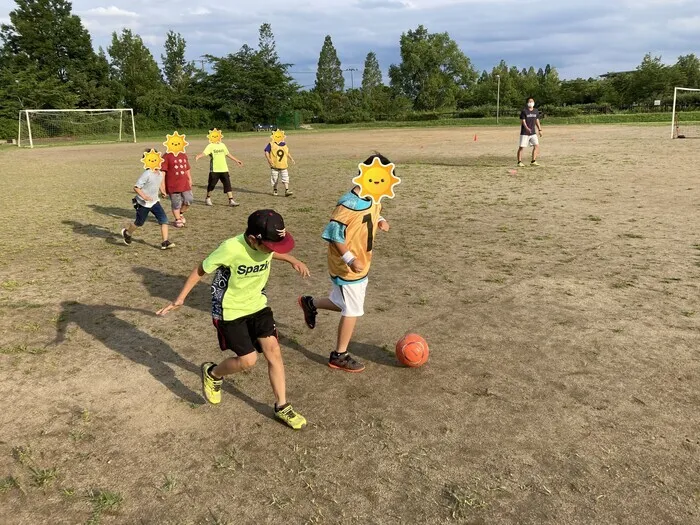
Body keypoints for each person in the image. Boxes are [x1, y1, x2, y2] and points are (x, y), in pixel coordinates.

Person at [156, 209, 310, 430]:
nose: (272, 250)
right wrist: (180, 299)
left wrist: (290, 258)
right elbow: (201, 269)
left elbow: (269, 252)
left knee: (273, 351)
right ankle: (213, 373)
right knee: (248, 360)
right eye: (270, 245)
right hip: (230, 311)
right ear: (252, 239)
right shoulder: (231, 248)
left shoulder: (264, 246)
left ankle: (282, 406)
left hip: (257, 304)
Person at [298, 153, 393, 373]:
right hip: (347, 265)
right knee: (352, 309)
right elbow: (333, 233)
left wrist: (380, 220)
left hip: (362, 262)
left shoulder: (373, 197)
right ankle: (339, 355)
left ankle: (310, 303)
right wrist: (350, 259)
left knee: (342, 301)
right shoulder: (348, 203)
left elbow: (374, 211)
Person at [121, 149, 175, 250]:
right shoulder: (147, 174)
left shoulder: (159, 173)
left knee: (164, 220)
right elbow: (136, 187)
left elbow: (159, 183)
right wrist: (144, 196)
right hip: (143, 203)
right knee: (139, 223)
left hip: (154, 202)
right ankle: (127, 233)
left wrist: (163, 191)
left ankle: (165, 242)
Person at [195, 139, 244, 207]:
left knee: (227, 184)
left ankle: (231, 200)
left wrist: (236, 160)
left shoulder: (222, 145)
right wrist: (199, 156)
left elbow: (227, 153)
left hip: (224, 169)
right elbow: (205, 153)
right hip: (214, 169)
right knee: (211, 185)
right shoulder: (210, 146)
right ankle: (208, 198)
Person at [162, 149, 193, 228]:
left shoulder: (183, 154)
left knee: (189, 199)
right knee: (176, 203)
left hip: (184, 183)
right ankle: (177, 218)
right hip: (173, 184)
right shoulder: (166, 156)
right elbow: (163, 172)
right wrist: (162, 187)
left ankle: (180, 213)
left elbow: (187, 168)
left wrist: (190, 179)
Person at [264, 131, 295, 196]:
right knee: (275, 179)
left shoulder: (284, 144)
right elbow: (266, 151)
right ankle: (275, 189)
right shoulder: (271, 144)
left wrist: (291, 158)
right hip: (274, 165)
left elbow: (287, 153)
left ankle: (287, 190)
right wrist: (269, 159)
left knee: (285, 177)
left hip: (283, 165)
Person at [517, 97, 543, 167]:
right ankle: (519, 162)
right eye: (529, 101)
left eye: (532, 101)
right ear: (527, 103)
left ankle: (533, 161)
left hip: (533, 133)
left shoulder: (536, 111)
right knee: (522, 147)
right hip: (525, 133)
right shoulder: (524, 111)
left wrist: (540, 130)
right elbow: (523, 121)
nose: (531, 103)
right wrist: (527, 128)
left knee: (536, 146)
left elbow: (537, 121)